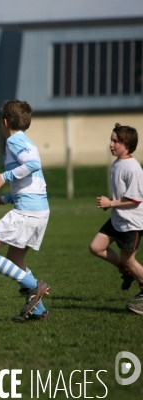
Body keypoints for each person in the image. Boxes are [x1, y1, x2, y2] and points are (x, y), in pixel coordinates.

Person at [0, 100, 51, 322]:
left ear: (5, 122)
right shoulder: (27, 141)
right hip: (38, 211)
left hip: (27, 213)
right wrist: (5, 198)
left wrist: (3, 177)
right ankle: (38, 310)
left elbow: (33, 164)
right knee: (16, 261)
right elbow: (31, 183)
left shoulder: (14, 140)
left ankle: (35, 286)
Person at [89, 123, 143, 315]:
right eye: (111, 140)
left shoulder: (133, 168)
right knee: (96, 247)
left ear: (126, 144)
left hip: (131, 222)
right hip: (118, 218)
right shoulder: (118, 163)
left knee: (129, 260)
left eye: (115, 141)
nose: (111, 144)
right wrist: (111, 206)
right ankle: (126, 272)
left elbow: (135, 199)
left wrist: (110, 203)